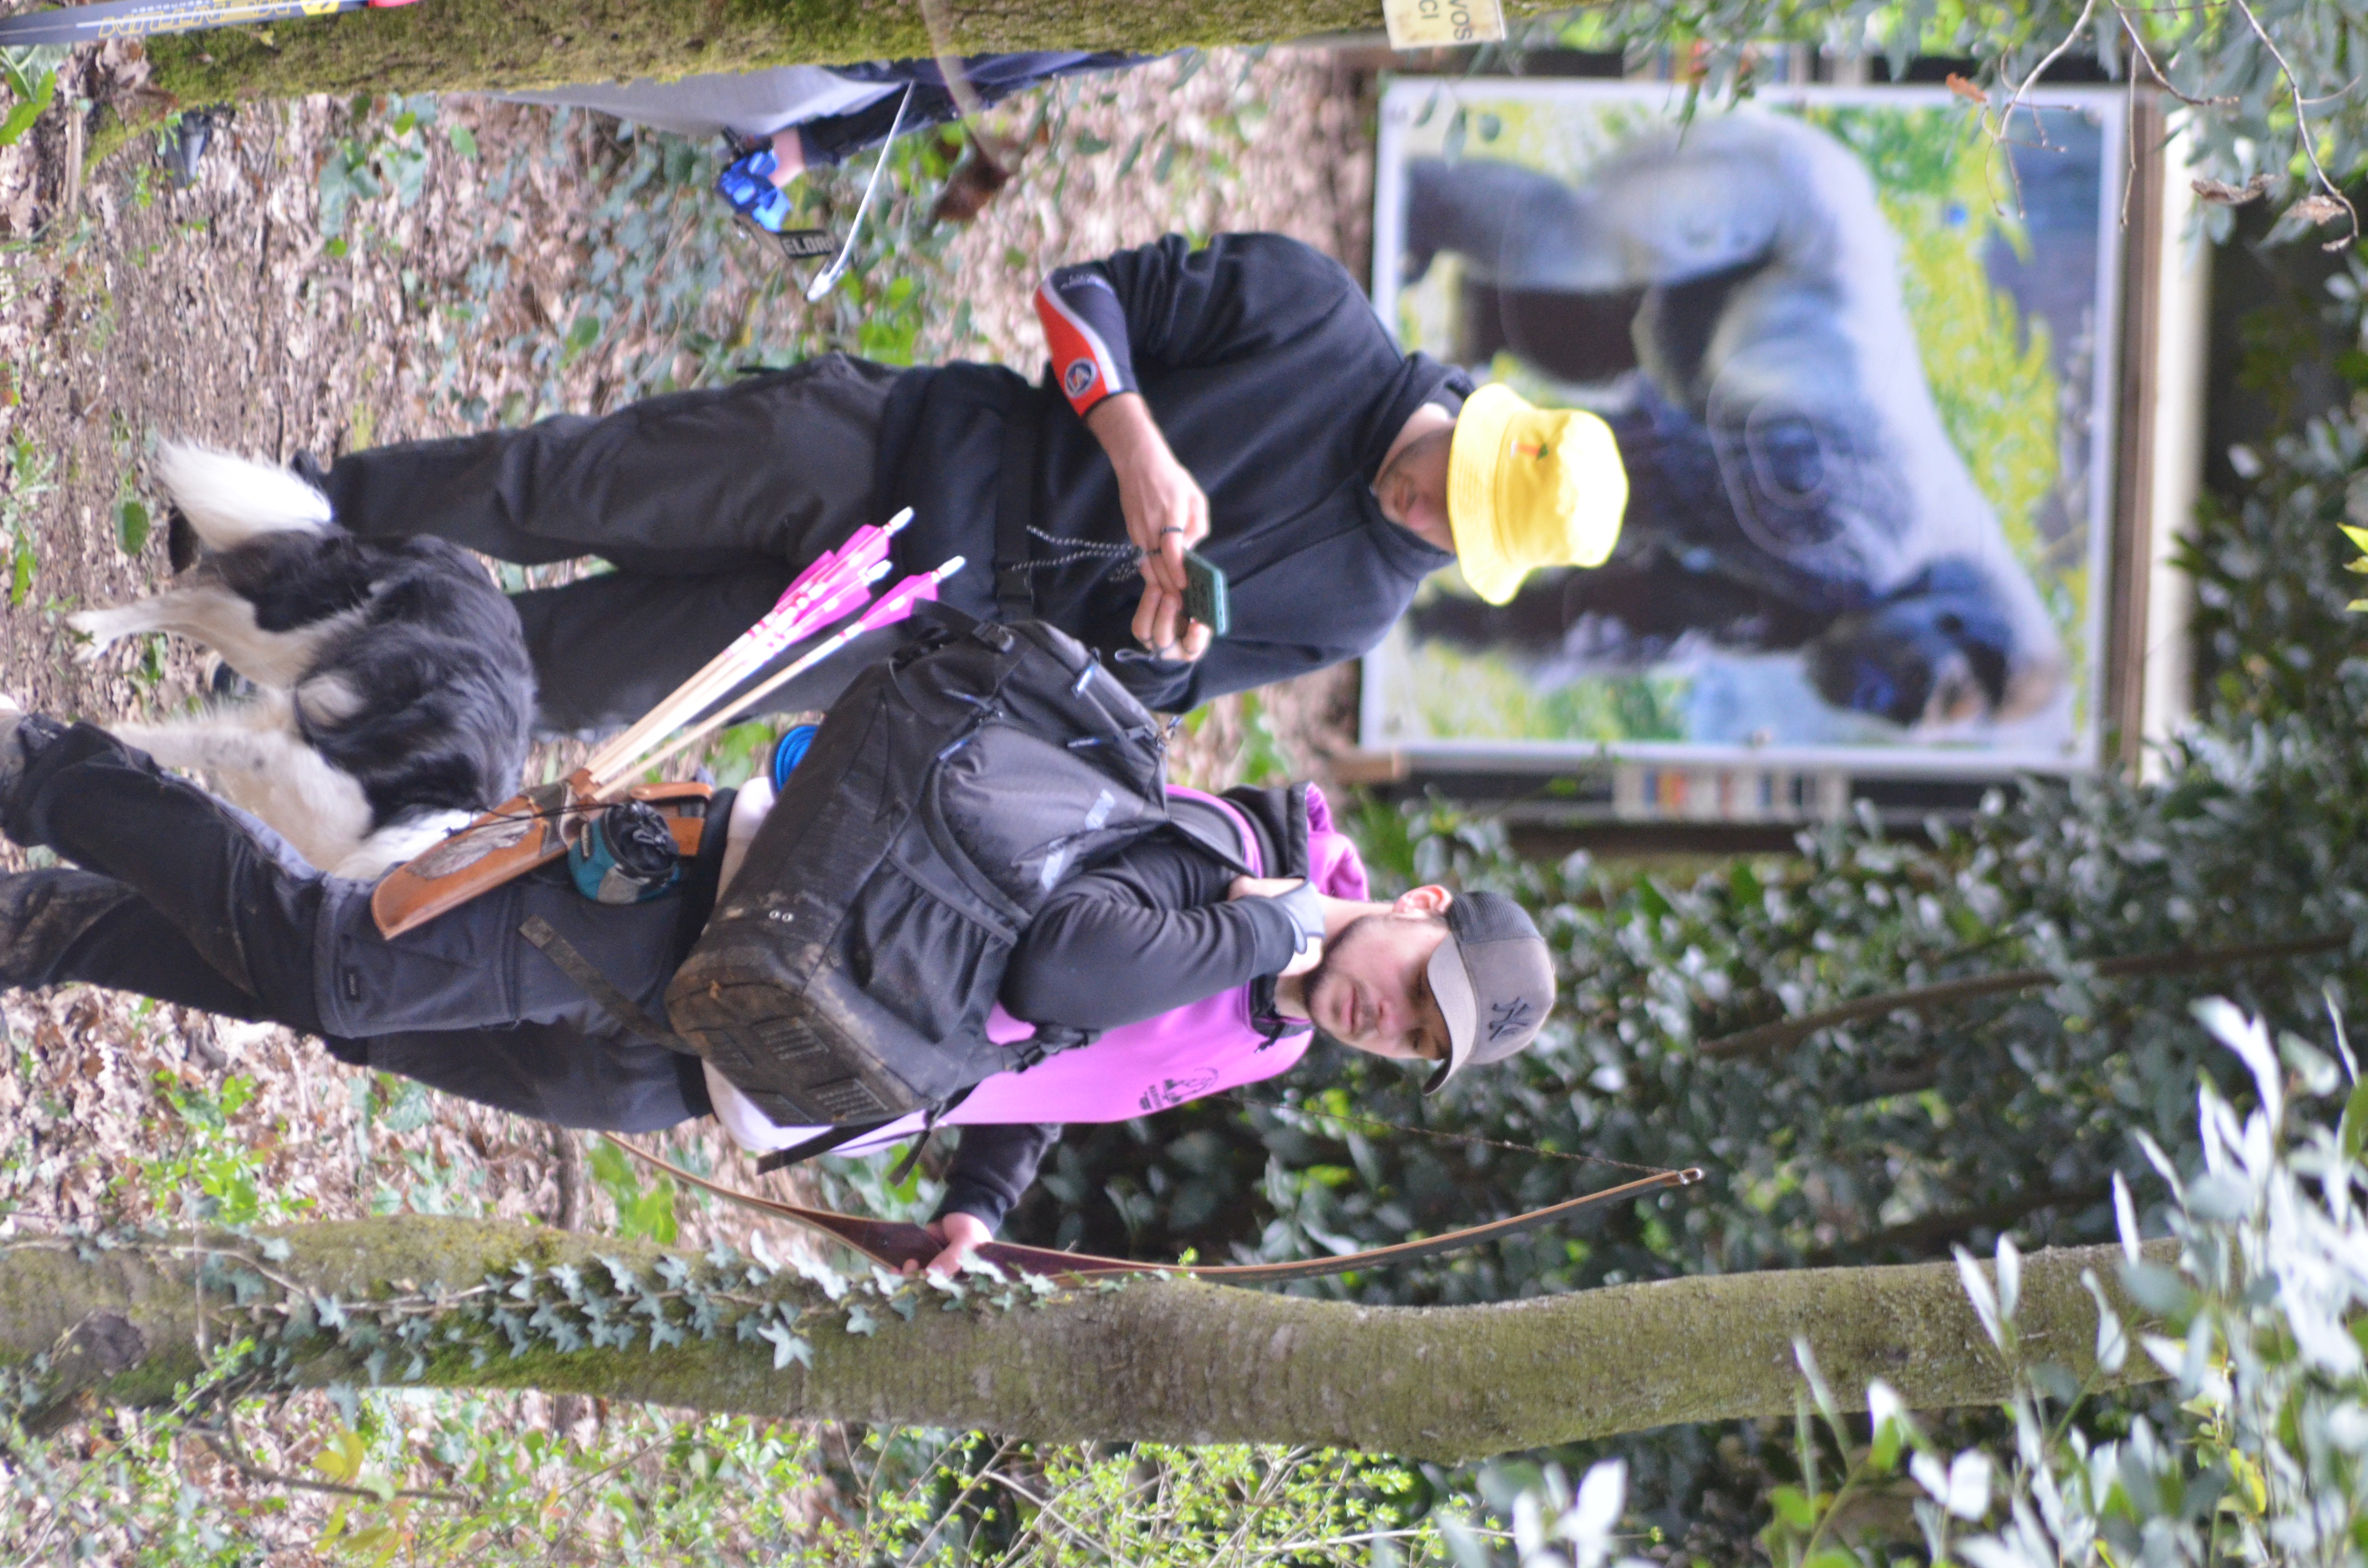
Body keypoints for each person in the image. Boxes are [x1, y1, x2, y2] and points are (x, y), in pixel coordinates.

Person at [0, 697, 1558, 1274]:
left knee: (336, 1010)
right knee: (344, 970)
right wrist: (1275, 930)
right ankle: (46, 768)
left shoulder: (1265, 1047)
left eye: (1414, 1042)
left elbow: (1050, 1065)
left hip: (707, 1065)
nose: (1387, 1023)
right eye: (1415, 986)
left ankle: (42, 932)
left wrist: (983, 1200)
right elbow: (1063, 958)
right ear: (1415, 908)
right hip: (702, 908)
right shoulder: (1226, 863)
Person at [305, 232, 1629, 734]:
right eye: (1447, 488)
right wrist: (1133, 437)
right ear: (1478, 424)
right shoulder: (1313, 312)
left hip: (912, 625)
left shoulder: (1363, 605)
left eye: (1455, 538)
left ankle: (314, 683)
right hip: (883, 446)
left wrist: (1161, 654)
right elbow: (1077, 296)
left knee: (578, 679)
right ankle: (303, 523)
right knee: (563, 487)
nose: (1424, 520)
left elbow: (1151, 699)